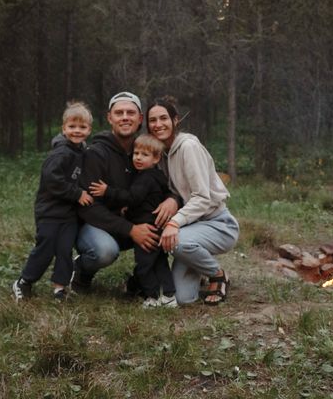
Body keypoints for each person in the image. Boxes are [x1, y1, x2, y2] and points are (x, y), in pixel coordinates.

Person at [72, 91, 179, 294]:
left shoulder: (143, 151)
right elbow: (87, 207)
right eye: (119, 112)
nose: (124, 117)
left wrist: (172, 200)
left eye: (130, 112)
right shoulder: (96, 153)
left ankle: (146, 280)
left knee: (165, 229)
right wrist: (130, 229)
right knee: (104, 251)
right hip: (95, 224)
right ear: (109, 118)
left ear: (139, 119)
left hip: (131, 221)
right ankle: (80, 271)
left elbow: (162, 185)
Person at [146, 97, 240, 306]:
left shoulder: (188, 147)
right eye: (153, 120)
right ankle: (196, 264)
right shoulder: (159, 153)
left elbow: (202, 198)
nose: (158, 124)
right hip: (190, 228)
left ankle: (218, 275)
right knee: (184, 298)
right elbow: (173, 190)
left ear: (175, 120)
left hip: (218, 224)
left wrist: (173, 223)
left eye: (163, 118)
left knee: (177, 241)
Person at [12, 101, 93, 302]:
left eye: (82, 127)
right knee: (45, 249)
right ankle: (24, 281)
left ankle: (60, 288)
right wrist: (77, 194)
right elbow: (52, 180)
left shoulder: (82, 152)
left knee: (65, 250)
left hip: (69, 215)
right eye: (72, 127)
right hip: (50, 212)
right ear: (63, 128)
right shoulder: (61, 152)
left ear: (89, 129)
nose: (77, 131)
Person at [91, 134, 177, 308]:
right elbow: (148, 199)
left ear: (156, 158)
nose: (138, 157)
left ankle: (151, 297)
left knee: (144, 265)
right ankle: (169, 296)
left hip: (146, 228)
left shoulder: (145, 177)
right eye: (136, 153)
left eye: (144, 155)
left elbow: (133, 197)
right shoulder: (157, 175)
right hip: (158, 226)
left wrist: (108, 191)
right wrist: (128, 210)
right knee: (160, 262)